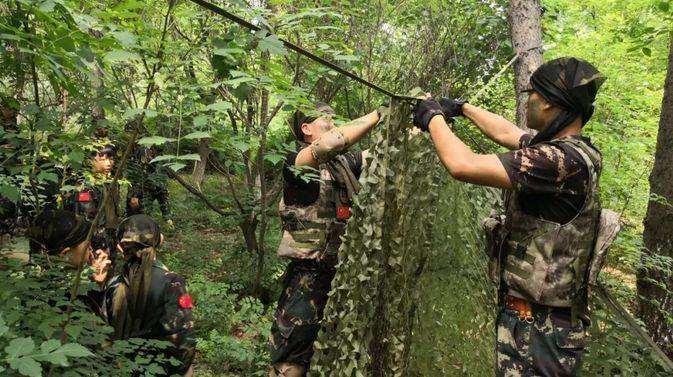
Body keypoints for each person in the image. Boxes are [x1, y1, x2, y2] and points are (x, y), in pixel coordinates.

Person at [413, 57, 605, 376]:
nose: (527, 100)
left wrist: (432, 117)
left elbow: (463, 165)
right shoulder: (568, 151)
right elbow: (509, 134)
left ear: (546, 103)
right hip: (534, 324)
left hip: (542, 331)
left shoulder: (559, 160)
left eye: (531, 93)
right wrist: (460, 108)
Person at [268, 102, 385, 377]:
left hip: (341, 279)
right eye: (326, 119)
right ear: (306, 129)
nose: (333, 124)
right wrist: (379, 114)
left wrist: (425, 119)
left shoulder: (342, 165)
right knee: (291, 361)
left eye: (335, 120)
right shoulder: (297, 163)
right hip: (306, 279)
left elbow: (380, 153)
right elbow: (329, 145)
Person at [103, 214, 195, 376]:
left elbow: (105, 337)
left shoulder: (112, 284)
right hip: (160, 369)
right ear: (160, 241)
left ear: (120, 248)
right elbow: (183, 341)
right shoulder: (172, 282)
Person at [26, 209, 111, 311]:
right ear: (65, 254)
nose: (91, 248)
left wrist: (97, 286)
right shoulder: (69, 302)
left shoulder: (35, 289)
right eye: (86, 243)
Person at [66, 143, 121, 264]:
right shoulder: (87, 186)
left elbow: (112, 216)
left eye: (111, 159)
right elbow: (86, 220)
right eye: (102, 159)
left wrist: (114, 241)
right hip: (93, 243)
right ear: (91, 161)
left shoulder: (110, 183)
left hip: (109, 239)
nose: (108, 163)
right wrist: (99, 244)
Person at [125, 145, 173, 226]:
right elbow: (136, 175)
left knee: (167, 214)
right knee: (143, 213)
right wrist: (134, 195)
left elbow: (170, 174)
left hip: (161, 188)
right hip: (147, 189)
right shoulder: (143, 153)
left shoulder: (165, 158)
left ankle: (169, 226)